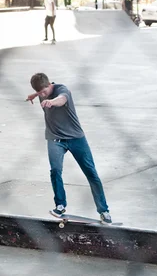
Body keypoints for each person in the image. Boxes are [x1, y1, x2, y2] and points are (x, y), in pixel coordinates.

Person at [26, 73, 112, 224]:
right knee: (55, 171)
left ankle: (104, 210)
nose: (42, 96)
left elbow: (62, 99)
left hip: (76, 138)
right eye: (40, 93)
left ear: (49, 86)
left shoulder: (62, 91)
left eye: (43, 92)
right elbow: (40, 91)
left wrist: (51, 102)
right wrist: (34, 95)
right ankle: (60, 205)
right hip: (54, 139)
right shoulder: (41, 90)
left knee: (91, 173)